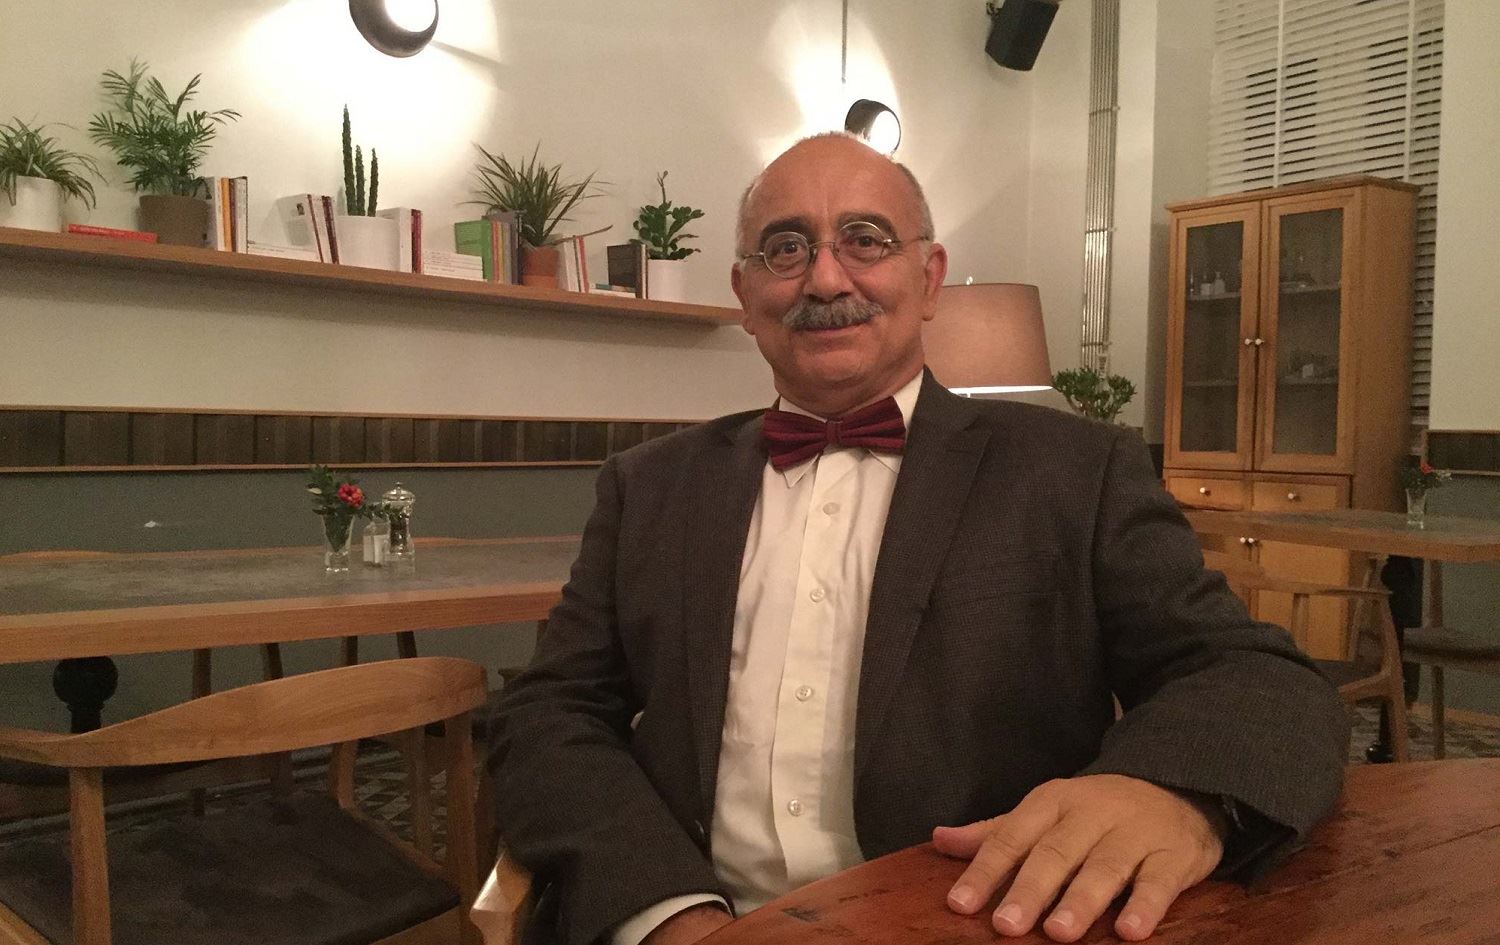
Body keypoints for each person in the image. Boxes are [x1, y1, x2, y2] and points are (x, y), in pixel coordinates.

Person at [487, 133, 1349, 945]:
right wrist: (666, 912)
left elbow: (1256, 677)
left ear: (929, 278)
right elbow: (549, 710)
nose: (826, 278)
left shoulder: (1077, 471)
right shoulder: (648, 485)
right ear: (745, 295)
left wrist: (1175, 794)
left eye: (865, 240)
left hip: (975, 923)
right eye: (786, 248)